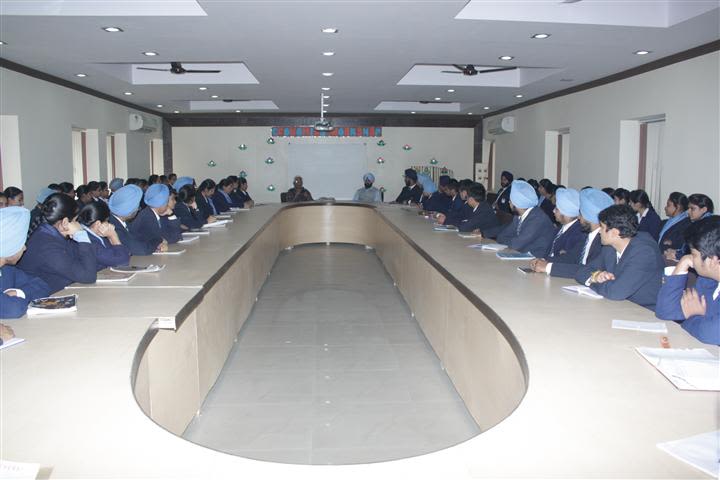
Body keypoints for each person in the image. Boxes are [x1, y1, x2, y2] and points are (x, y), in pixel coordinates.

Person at [575, 204, 664, 310]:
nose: (599, 231)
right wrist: (596, 276)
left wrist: (595, 281)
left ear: (614, 233)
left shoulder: (645, 253)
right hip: (618, 306)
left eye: (602, 227)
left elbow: (615, 292)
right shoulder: (610, 247)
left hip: (645, 312)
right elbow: (581, 271)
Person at [655, 216, 719, 345]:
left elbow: (711, 334)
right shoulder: (708, 280)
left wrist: (692, 316)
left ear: (712, 260)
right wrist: (682, 264)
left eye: (693, 254)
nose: (690, 258)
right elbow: (666, 311)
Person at [19, 193, 97, 293]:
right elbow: (88, 276)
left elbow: (84, 262)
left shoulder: (52, 234)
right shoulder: (47, 245)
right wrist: (82, 237)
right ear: (65, 222)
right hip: (45, 297)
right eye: (75, 220)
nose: (78, 224)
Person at [530, 188, 613, 278]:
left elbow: (588, 270)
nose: (578, 217)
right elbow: (571, 258)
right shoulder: (588, 235)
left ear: (589, 216)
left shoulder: (603, 242)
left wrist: (548, 267)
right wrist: (543, 261)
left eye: (581, 213)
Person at [0, 206, 51, 318]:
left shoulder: (7, 269)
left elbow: (42, 286)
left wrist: (19, 293)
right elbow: (14, 309)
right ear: (9, 244)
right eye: (20, 243)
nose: (24, 248)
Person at [489, 180, 557, 257]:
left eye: (511, 199)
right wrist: (509, 241)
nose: (509, 202)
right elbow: (501, 236)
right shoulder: (519, 215)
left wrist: (509, 241)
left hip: (537, 259)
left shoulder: (537, 218)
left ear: (517, 202)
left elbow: (516, 245)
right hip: (522, 254)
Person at [108, 185, 165, 255]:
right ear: (129, 210)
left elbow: (141, 238)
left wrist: (156, 242)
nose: (138, 209)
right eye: (137, 207)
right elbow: (141, 249)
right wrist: (158, 241)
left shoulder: (124, 222)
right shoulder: (114, 228)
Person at [77, 201, 130, 270]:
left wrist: (110, 237)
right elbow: (123, 262)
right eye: (107, 221)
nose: (109, 224)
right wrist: (113, 236)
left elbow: (125, 252)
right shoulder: (88, 241)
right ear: (98, 224)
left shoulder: (95, 234)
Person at [545, 188, 585, 259]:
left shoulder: (578, 233)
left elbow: (565, 258)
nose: (553, 211)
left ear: (566, 212)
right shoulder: (561, 226)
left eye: (557, 209)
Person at [659, 192, 690, 260]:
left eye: (668, 205)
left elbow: (681, 245)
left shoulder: (686, 224)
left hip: (670, 260)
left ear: (678, 207)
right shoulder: (664, 222)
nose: (665, 208)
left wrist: (671, 242)